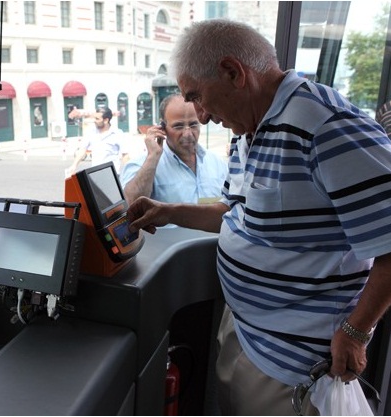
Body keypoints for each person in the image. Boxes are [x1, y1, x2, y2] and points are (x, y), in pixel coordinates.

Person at [126, 19, 391, 415]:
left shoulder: (325, 125)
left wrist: (355, 331)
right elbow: (235, 214)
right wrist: (168, 212)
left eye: (197, 97)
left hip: (295, 361)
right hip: (247, 332)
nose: (202, 115)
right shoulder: (249, 130)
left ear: (234, 73)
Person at [120, 95, 228, 205]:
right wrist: (153, 157)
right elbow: (131, 205)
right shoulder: (141, 165)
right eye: (178, 126)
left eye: (193, 124)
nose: (188, 134)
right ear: (162, 128)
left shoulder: (217, 163)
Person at [66, 106, 129, 175]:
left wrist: (129, 172)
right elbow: (82, 149)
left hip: (112, 175)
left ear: (106, 120)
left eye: (97, 119)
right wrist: (74, 165)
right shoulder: (91, 132)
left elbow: (125, 155)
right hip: (95, 174)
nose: (94, 121)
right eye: (94, 118)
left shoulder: (117, 133)